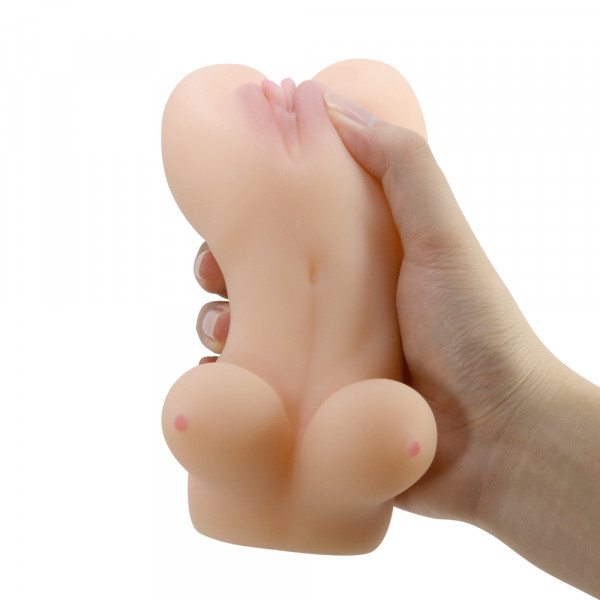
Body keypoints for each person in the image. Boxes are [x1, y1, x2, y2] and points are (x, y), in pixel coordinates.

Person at [191, 92, 600, 599]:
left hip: (370, 427)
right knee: (237, 410)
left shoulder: (360, 100)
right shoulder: (366, 97)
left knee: (360, 427)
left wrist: (503, 425)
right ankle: (237, 436)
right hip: (356, 430)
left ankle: (260, 438)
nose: (296, 99)